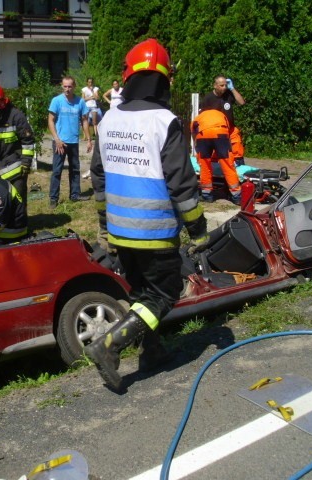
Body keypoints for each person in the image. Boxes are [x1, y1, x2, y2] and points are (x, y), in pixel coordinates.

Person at [86, 38, 209, 391]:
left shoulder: (108, 120)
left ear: (127, 77)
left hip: (121, 231)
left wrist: (105, 227)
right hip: (154, 232)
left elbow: (98, 177)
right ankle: (108, 346)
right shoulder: (166, 121)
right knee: (164, 293)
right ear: (164, 80)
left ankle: (152, 351)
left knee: (142, 294)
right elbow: (181, 183)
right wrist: (198, 230)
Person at [0, 84, 35, 208]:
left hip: (15, 169)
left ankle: (20, 226)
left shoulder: (16, 116)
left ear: (0, 104)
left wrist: (26, 163)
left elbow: (28, 141)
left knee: (18, 202)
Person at [47, 76, 93, 208]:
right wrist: (57, 139)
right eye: (65, 86)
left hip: (73, 141)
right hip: (60, 142)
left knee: (75, 169)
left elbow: (84, 120)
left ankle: (75, 195)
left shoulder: (80, 102)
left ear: (74, 87)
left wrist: (89, 139)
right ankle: (53, 198)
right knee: (57, 170)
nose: (67, 89)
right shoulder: (56, 101)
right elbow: (50, 120)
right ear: (62, 86)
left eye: (70, 86)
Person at [191, 107, 241, 205]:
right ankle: (236, 196)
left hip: (203, 135)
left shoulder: (199, 117)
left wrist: (198, 148)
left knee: (204, 165)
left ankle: (207, 195)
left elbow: (193, 133)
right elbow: (228, 131)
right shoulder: (221, 114)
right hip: (221, 133)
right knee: (227, 164)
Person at [200, 75, 246, 166]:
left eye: (225, 85)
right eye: (221, 85)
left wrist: (232, 89)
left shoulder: (228, 94)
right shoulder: (208, 99)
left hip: (230, 130)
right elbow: (202, 117)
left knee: (237, 151)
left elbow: (242, 102)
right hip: (216, 132)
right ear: (215, 85)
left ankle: (240, 170)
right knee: (215, 155)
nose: (224, 87)